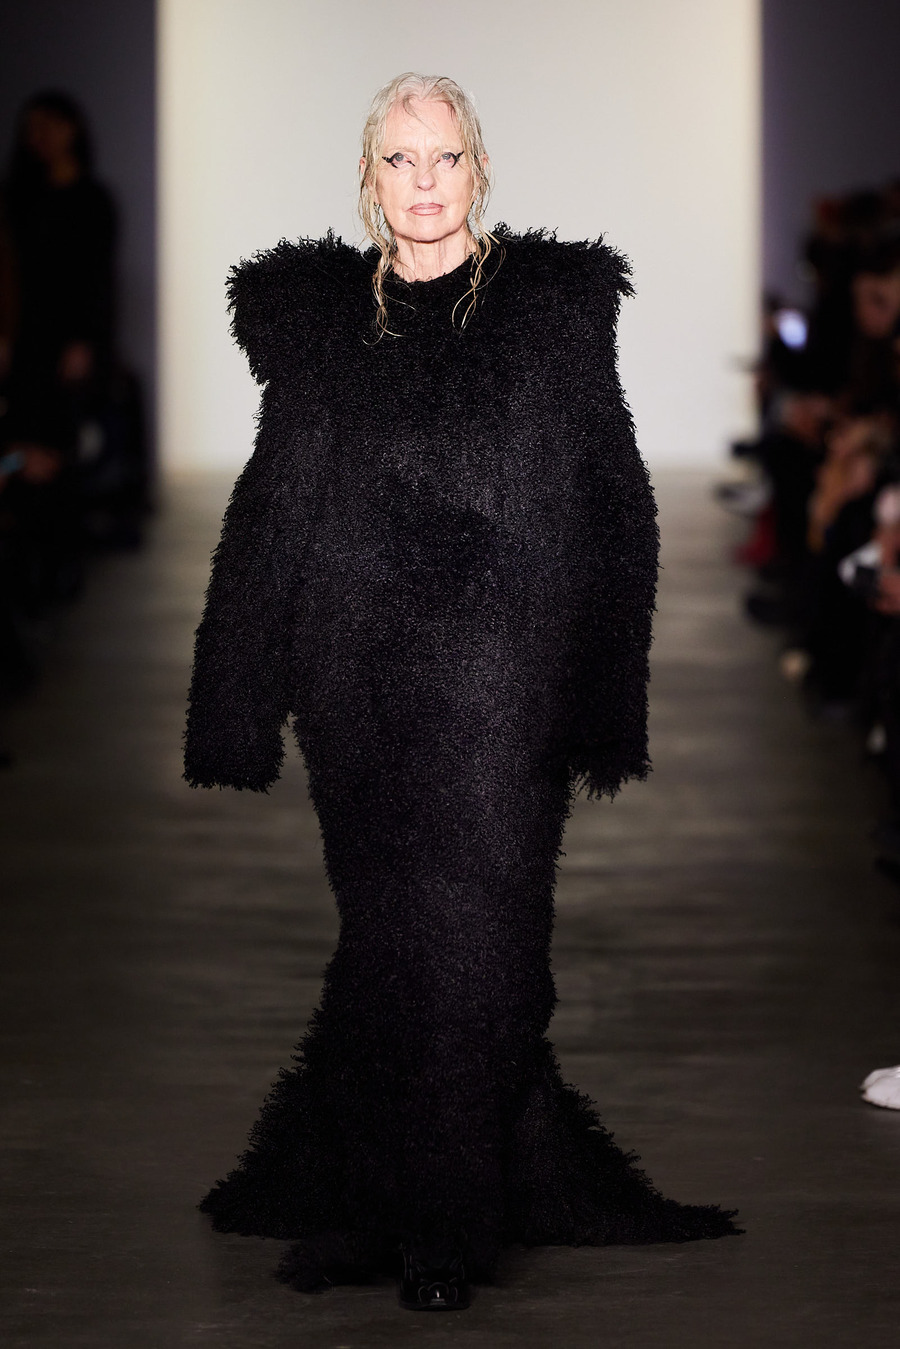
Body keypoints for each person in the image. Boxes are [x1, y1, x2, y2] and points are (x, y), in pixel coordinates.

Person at [184, 72, 739, 1313]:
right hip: (355, 681)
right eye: (400, 160)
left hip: (507, 681)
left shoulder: (551, 310)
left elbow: (613, 491)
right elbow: (275, 499)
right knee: (391, 939)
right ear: (368, 178)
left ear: (479, 168)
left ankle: (441, 1214)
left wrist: (608, 692)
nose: (424, 183)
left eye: (444, 158)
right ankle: (402, 1200)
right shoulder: (320, 323)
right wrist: (239, 694)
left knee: (489, 942)